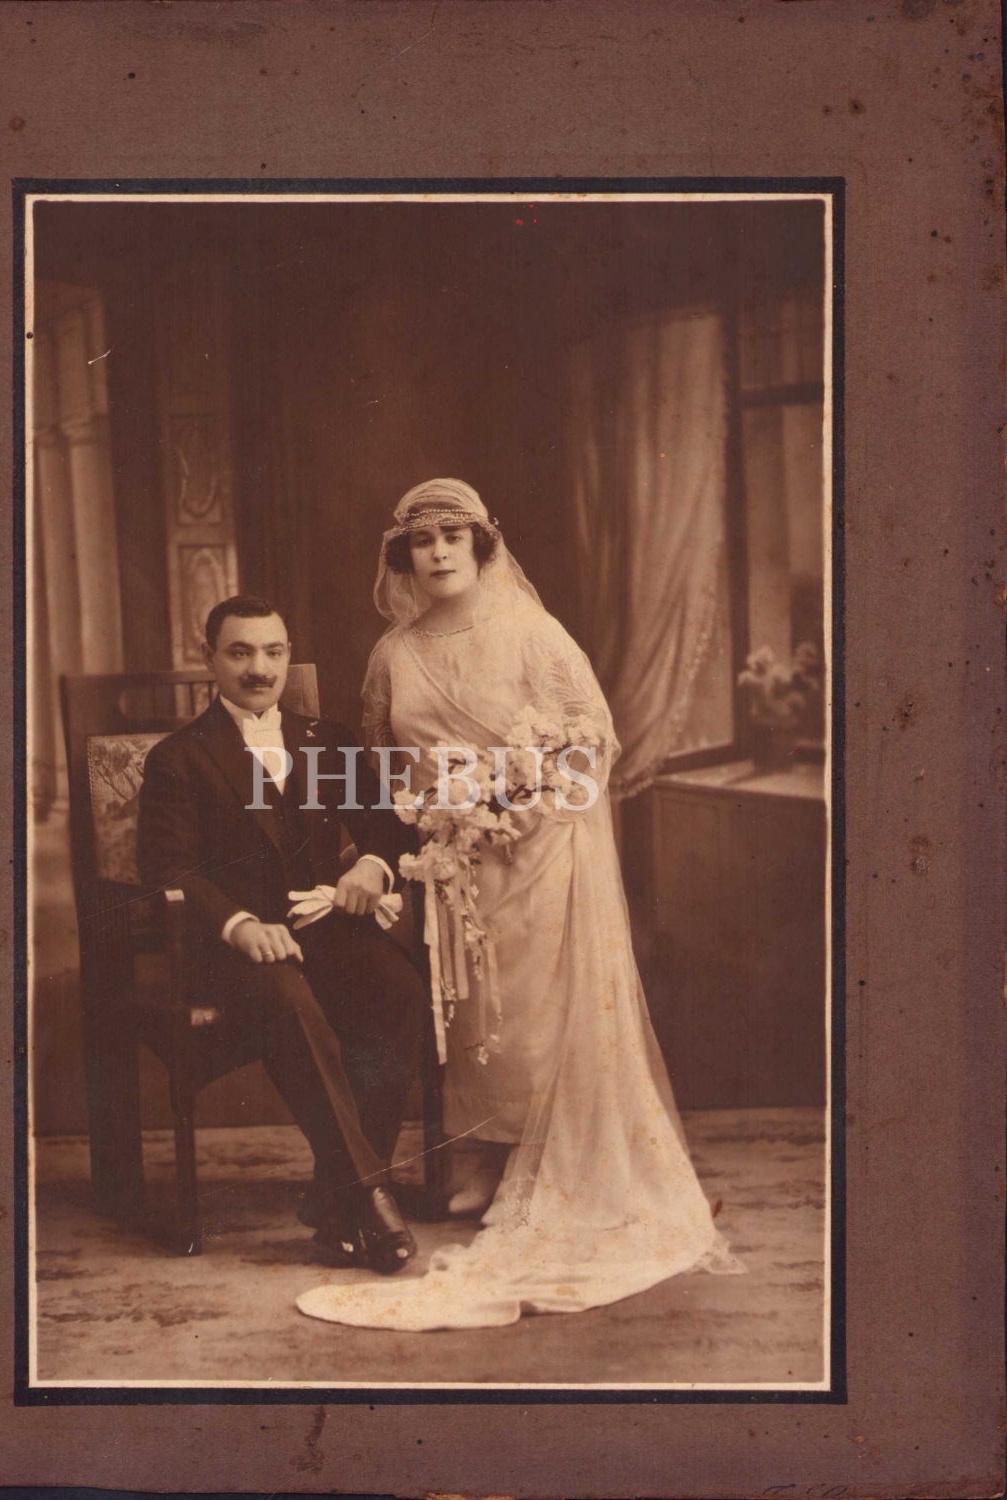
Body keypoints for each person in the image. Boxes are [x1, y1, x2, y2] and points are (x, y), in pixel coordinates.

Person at [296, 480, 745, 1330]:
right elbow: (380, 761)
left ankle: (536, 1161)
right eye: (421, 541)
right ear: (402, 558)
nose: (437, 552)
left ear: (481, 547)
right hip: (449, 859)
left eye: (451, 537)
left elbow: (591, 740)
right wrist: (437, 816)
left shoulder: (533, 634)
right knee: (470, 1012)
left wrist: (513, 801)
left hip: (539, 852)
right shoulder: (393, 653)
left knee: (536, 1008)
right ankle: (485, 1157)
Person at [137, 594, 429, 1274]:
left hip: (322, 933)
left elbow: (388, 830)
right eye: (239, 652)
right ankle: (369, 1198)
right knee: (290, 1004)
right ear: (209, 659)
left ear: (288, 656)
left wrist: (372, 865)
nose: (258, 668)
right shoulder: (178, 757)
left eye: (272, 652)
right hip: (231, 953)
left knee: (397, 989)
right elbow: (168, 868)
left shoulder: (328, 740)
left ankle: (337, 1201)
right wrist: (238, 925)